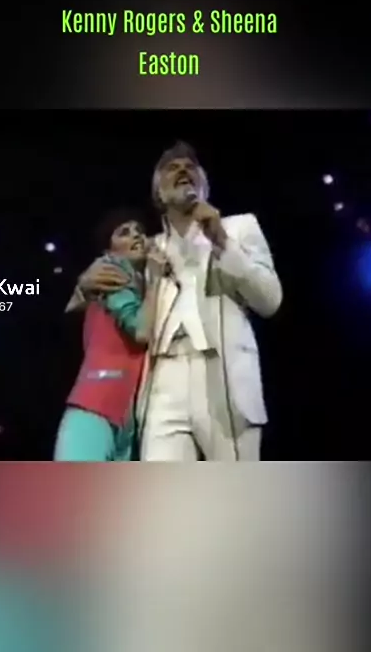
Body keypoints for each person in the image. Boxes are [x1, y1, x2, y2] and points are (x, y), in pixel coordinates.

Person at [67, 142, 282, 461]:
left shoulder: (239, 228)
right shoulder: (147, 249)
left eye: (190, 167)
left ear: (204, 185)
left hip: (222, 373)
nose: (183, 170)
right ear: (158, 193)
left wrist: (222, 243)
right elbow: (95, 303)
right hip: (162, 382)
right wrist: (83, 286)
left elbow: (270, 300)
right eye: (172, 168)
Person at [54, 207, 166, 461]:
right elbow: (141, 331)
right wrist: (156, 281)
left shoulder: (139, 282)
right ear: (108, 249)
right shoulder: (111, 271)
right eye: (124, 232)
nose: (136, 235)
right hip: (96, 407)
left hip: (126, 419)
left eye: (139, 231)